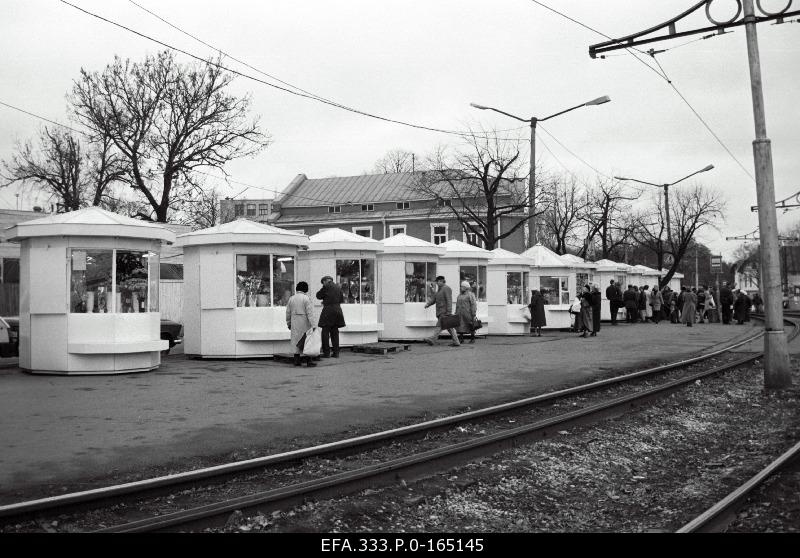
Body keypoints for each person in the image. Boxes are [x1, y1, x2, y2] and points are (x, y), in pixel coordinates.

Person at [286, 282, 316, 367]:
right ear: (306, 289)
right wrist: (313, 325)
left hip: (294, 321)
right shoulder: (307, 298)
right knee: (307, 340)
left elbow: (288, 312)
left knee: (296, 341)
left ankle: (296, 360)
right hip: (305, 322)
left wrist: (288, 323)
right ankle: (309, 361)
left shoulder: (291, 298)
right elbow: (310, 313)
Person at [425, 276, 460, 347]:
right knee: (450, 328)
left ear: (441, 281)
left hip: (444, 312)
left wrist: (449, 312)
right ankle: (456, 342)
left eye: (437, 282)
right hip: (440, 312)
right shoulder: (439, 290)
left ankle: (432, 339)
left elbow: (449, 300)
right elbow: (434, 299)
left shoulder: (446, 288)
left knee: (439, 326)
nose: (437, 283)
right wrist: (428, 304)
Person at [316, 275, 345, 358]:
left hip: (328, 311)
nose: (323, 284)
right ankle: (336, 353)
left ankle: (326, 353)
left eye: (323, 283)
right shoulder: (338, 287)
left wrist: (326, 301)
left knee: (325, 331)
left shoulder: (326, 286)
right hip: (337, 310)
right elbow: (341, 300)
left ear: (325, 281)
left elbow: (318, 296)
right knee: (335, 332)